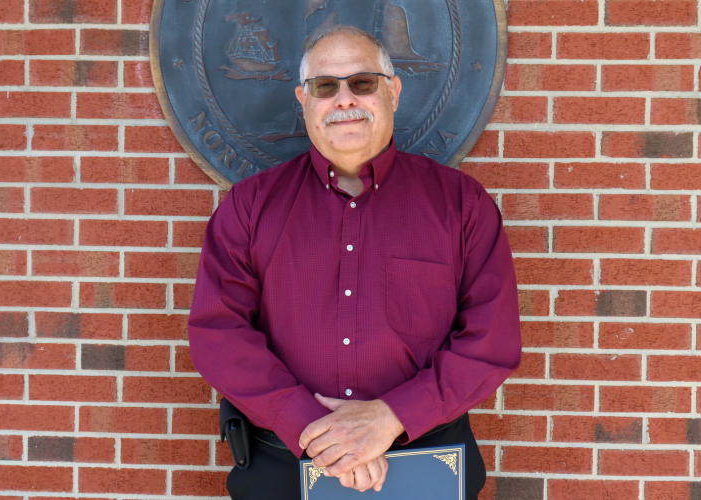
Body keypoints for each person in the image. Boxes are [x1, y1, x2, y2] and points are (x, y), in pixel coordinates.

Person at [188, 25, 522, 500]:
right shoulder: (249, 207)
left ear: (393, 90)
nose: (344, 99)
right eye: (326, 86)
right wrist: (317, 433)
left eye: (362, 82)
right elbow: (218, 336)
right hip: (284, 468)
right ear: (304, 99)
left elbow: (491, 341)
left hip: (425, 465)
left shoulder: (461, 206)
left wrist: (390, 418)